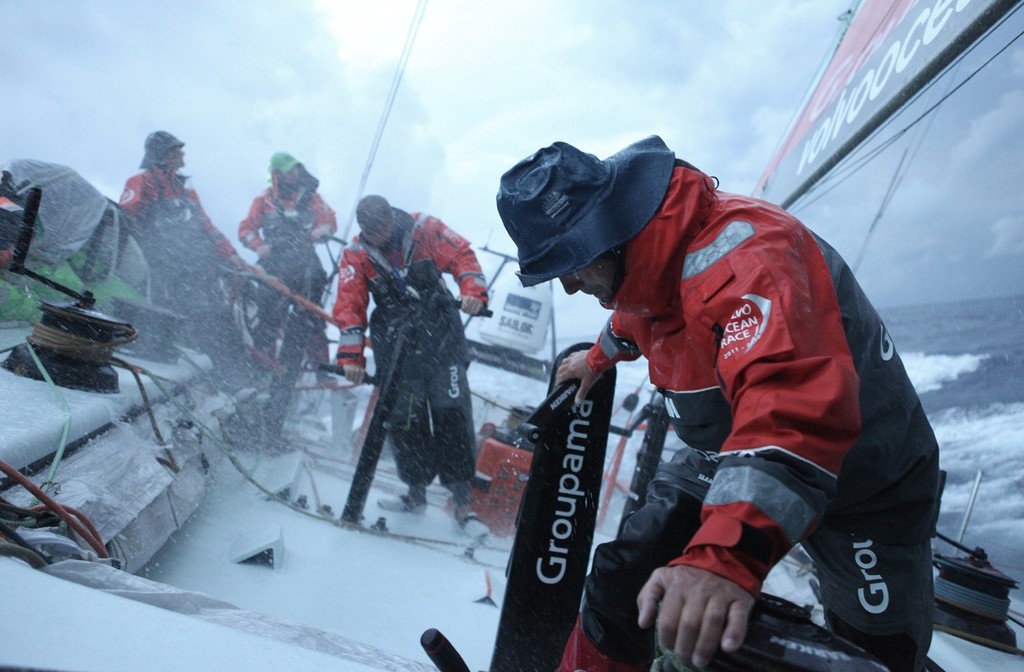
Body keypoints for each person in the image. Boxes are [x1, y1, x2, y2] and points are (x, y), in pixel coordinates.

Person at [496, 136, 940, 672]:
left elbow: (788, 406)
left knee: (873, 657)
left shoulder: (753, 258)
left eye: (571, 262)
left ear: (610, 232)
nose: (568, 285)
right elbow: (630, 325)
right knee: (624, 583)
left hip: (866, 482)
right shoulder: (643, 271)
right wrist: (594, 361)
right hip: (728, 450)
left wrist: (723, 560)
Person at [332, 195, 490, 536]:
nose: (384, 232)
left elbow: (463, 255)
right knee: (404, 416)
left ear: (393, 216)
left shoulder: (425, 228)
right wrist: (351, 358)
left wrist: (473, 292)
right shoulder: (356, 255)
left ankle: (463, 505)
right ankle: (415, 493)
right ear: (365, 232)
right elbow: (349, 305)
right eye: (376, 230)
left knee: (452, 411)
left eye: (387, 224)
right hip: (396, 339)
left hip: (441, 332)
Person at [119, 131, 251, 388]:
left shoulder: (186, 192)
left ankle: (234, 378)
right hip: (166, 269)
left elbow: (208, 227)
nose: (183, 154)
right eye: (178, 149)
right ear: (167, 154)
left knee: (221, 317)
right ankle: (222, 380)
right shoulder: (142, 182)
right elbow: (125, 220)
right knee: (202, 317)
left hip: (200, 267)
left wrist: (232, 256)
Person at [238, 152, 337, 370]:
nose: (293, 173)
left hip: (306, 262)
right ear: (276, 174)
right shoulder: (262, 201)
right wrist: (258, 246)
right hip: (274, 262)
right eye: (288, 170)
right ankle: (264, 368)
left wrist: (322, 230)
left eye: (296, 169)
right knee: (268, 317)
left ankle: (323, 372)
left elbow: (329, 219)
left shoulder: (313, 198)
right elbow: (245, 229)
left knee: (313, 317)